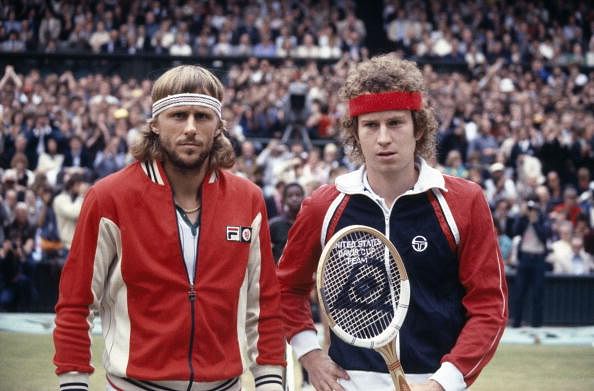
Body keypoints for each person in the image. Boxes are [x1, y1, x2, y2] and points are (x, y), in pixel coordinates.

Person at [277, 55, 508, 391]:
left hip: (432, 383)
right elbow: (284, 288)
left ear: (419, 127)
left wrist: (444, 382)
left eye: (395, 123)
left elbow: (490, 305)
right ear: (355, 133)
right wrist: (309, 354)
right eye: (371, 125)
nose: (383, 137)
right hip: (346, 383)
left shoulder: (464, 201)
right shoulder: (323, 205)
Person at [53, 65, 285, 391]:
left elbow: (265, 306)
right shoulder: (109, 197)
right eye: (178, 115)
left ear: (219, 126)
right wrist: (73, 383)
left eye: (202, 117)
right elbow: (76, 302)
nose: (190, 128)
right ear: (155, 124)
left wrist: (271, 383)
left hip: (225, 385)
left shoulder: (248, 199)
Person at [510, 198, 550, 328]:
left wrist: (535, 222)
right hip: (525, 258)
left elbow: (544, 236)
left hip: (538, 259)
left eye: (534, 210)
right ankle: (516, 322)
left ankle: (537, 324)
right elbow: (515, 231)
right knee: (519, 291)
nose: (531, 212)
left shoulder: (543, 221)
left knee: (538, 292)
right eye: (530, 209)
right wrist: (522, 217)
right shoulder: (523, 221)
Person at [269, 182, 305, 263]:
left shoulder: (308, 223)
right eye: (290, 196)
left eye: (298, 195)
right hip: (280, 271)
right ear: (284, 200)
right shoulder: (275, 224)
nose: (294, 198)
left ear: (303, 198)